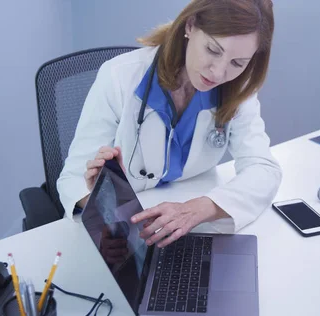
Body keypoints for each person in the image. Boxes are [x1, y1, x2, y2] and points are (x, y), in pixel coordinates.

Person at [57, 0, 281, 249]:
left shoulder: (238, 89)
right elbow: (73, 178)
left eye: (237, 63)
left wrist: (201, 208)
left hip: (195, 228)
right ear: (190, 26)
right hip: (134, 229)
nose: (218, 73)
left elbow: (263, 169)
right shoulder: (120, 76)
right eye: (213, 50)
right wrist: (107, 206)